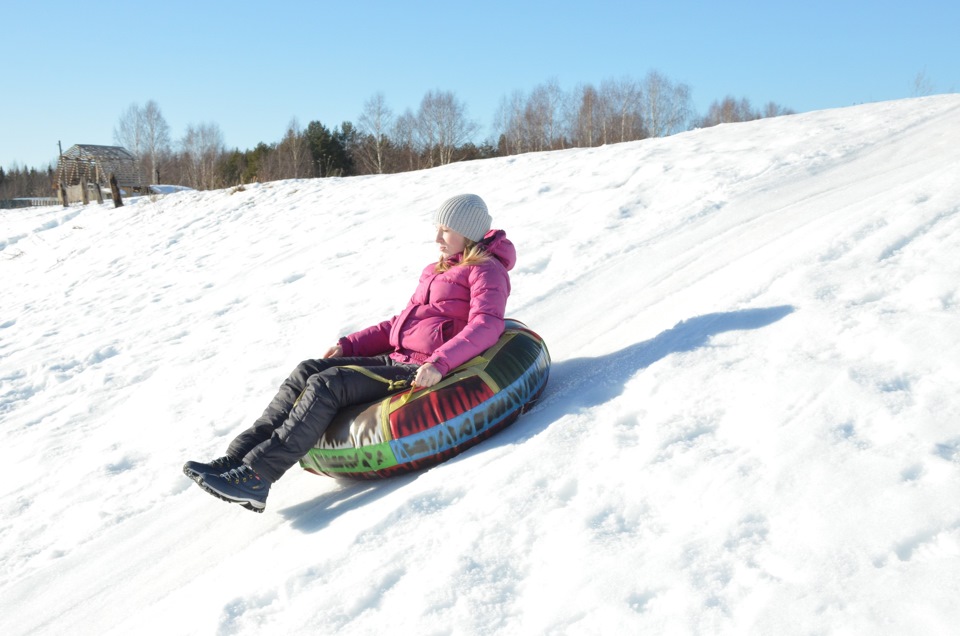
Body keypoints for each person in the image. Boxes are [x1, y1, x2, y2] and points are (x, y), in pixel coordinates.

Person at [184, 194, 515, 512]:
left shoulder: (486, 271)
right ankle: (236, 459)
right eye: (438, 228)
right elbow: (399, 322)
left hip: (418, 368)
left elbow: (487, 324)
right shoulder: (437, 269)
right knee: (307, 370)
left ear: (468, 233)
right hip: (397, 357)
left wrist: (439, 363)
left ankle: (258, 478)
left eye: (445, 230)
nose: (437, 237)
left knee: (330, 383)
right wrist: (350, 345)